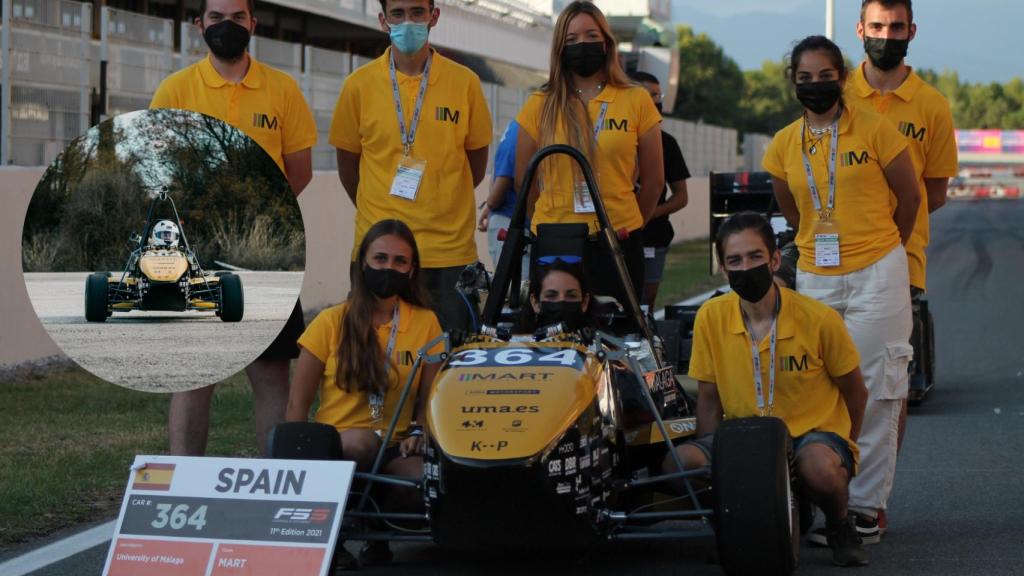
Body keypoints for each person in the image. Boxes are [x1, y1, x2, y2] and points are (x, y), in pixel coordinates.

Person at [762, 35, 920, 545]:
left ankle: (865, 509)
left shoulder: (875, 128)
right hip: (815, 276)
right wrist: (819, 246)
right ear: (793, 83)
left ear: (842, 75)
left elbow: (910, 196)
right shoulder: (784, 143)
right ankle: (823, 498)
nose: (814, 85)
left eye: (824, 75)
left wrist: (880, 245)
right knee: (816, 390)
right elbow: (791, 209)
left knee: (876, 388)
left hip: (878, 271)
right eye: (803, 78)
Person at [150, 0, 317, 457]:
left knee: (270, 375)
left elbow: (297, 171)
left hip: (265, 254)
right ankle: (184, 480)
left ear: (253, 24)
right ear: (200, 25)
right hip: (195, 256)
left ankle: (275, 480)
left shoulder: (282, 90)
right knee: (195, 376)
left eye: (238, 18)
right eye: (218, 18)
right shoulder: (176, 88)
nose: (228, 26)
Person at [664, 212, 869, 567]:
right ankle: (732, 522)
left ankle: (838, 522)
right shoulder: (710, 316)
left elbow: (856, 392)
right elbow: (709, 401)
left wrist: (846, 446)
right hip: (745, 436)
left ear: (774, 259)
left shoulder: (820, 319)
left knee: (819, 466)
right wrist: (716, 463)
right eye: (735, 260)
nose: (746, 267)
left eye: (755, 257)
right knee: (679, 465)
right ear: (724, 269)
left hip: (809, 436)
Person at [844, 0, 958, 502]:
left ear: (912, 31)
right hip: (830, 262)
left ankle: (873, 500)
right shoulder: (836, 90)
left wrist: (886, 225)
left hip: (898, 260)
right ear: (859, 30)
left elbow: (934, 191)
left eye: (895, 27)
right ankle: (828, 487)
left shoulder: (931, 104)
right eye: (876, 26)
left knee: (887, 389)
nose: (885, 36)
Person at [286, 219, 442, 569]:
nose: (390, 268)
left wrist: (420, 433)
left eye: (400, 261)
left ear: (412, 269)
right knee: (358, 443)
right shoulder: (328, 322)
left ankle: (378, 532)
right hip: (340, 443)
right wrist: (295, 464)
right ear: (362, 263)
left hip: (397, 443)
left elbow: (430, 400)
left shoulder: (427, 322)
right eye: (381, 258)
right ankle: (333, 535)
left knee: (421, 479)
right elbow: (297, 406)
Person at [330, 0, 492, 334]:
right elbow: (349, 168)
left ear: (434, 17)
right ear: (382, 20)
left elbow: (475, 164)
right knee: (372, 360)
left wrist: (442, 196)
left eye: (418, 12)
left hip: (449, 253)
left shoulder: (465, 83)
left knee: (450, 364)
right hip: (380, 250)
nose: (409, 22)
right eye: (398, 14)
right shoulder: (357, 86)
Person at [515, 1, 663, 305]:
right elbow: (524, 182)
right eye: (571, 39)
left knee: (620, 339)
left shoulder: (636, 99)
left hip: (618, 240)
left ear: (607, 42)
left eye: (591, 36)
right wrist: (548, 222)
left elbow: (654, 182)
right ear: (559, 47)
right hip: (557, 240)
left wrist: (630, 225)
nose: (582, 45)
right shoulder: (540, 103)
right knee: (557, 337)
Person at [629, 70, 691, 309]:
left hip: (652, 235)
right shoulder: (608, 137)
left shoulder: (667, 143)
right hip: (612, 233)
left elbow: (681, 196)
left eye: (658, 95)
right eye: (649, 95)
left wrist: (647, 214)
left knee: (645, 301)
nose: (656, 102)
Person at [478, 120, 531, 276]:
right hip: (511, 222)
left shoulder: (516, 128)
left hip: (509, 219)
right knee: (518, 288)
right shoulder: (522, 129)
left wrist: (489, 206)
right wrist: (490, 204)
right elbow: (504, 179)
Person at [520, 256, 592, 333]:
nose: (561, 305)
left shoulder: (602, 342)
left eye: (571, 296)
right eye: (551, 296)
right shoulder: (514, 342)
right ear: (535, 303)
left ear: (585, 302)